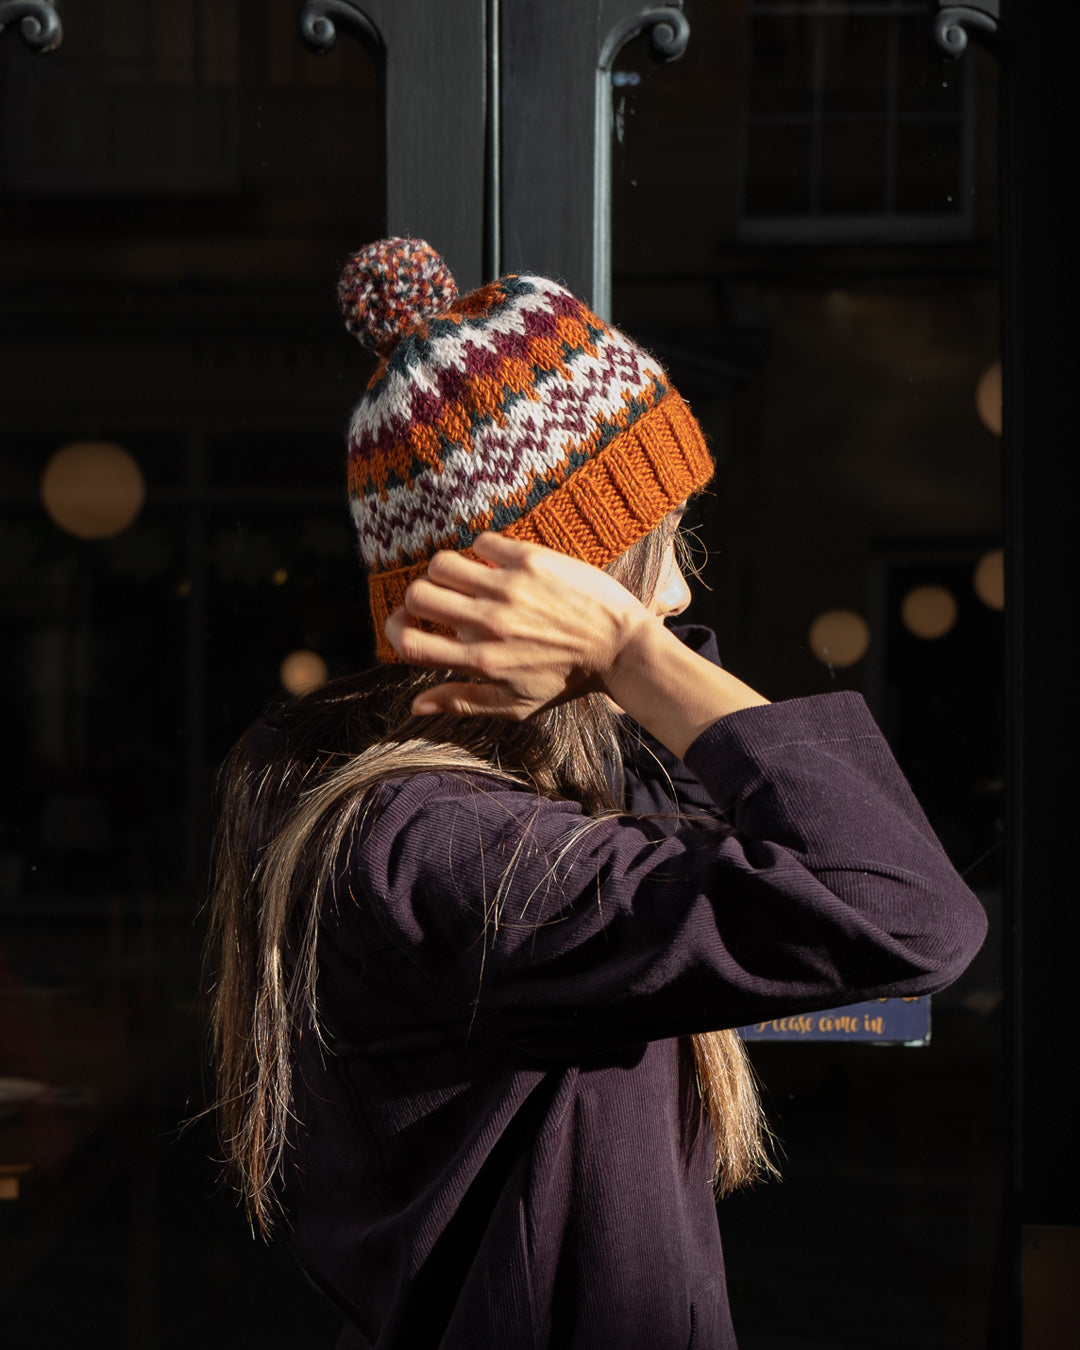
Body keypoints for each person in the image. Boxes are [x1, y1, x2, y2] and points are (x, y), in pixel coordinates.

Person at [206, 238, 987, 1349]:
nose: (675, 591)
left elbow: (835, 873)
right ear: (539, 599)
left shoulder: (532, 803)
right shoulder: (438, 848)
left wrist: (627, 657)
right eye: (645, 559)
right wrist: (628, 653)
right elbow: (908, 913)